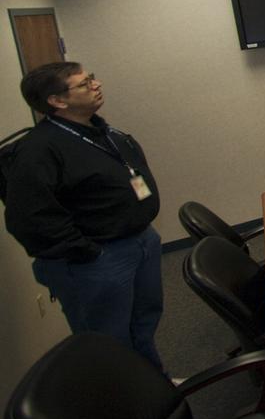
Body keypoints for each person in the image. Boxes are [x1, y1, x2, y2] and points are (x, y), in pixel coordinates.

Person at [2, 62, 166, 369]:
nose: (96, 84)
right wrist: (88, 253)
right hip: (97, 259)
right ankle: (127, 410)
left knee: (143, 324)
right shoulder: (39, 150)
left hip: (140, 241)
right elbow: (29, 218)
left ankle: (155, 385)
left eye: (91, 78)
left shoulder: (101, 131)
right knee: (108, 342)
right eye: (84, 83)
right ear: (57, 101)